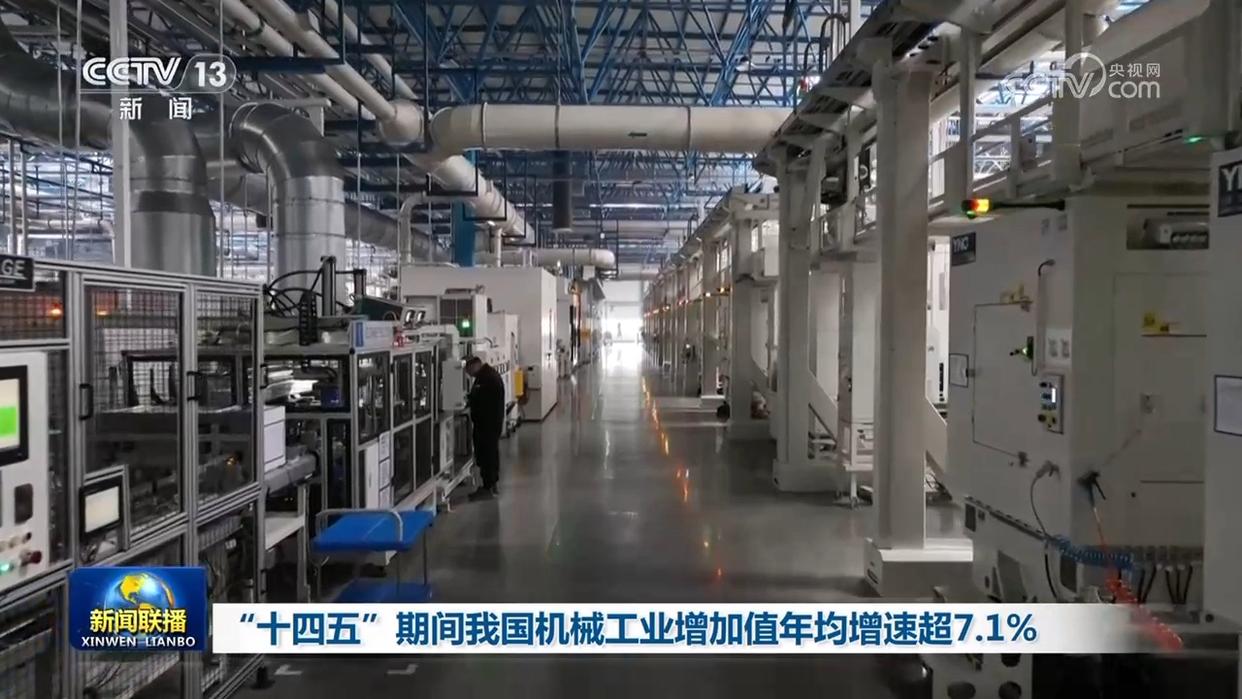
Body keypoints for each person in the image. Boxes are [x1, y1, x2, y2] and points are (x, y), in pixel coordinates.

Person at [464, 355, 505, 501]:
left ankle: (488, 487)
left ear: (475, 365)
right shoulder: (485, 376)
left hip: (488, 425)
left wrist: (470, 401)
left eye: (468, 370)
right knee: (489, 454)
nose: (468, 373)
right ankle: (491, 485)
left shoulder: (487, 378)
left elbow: (483, 401)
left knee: (488, 455)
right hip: (488, 424)